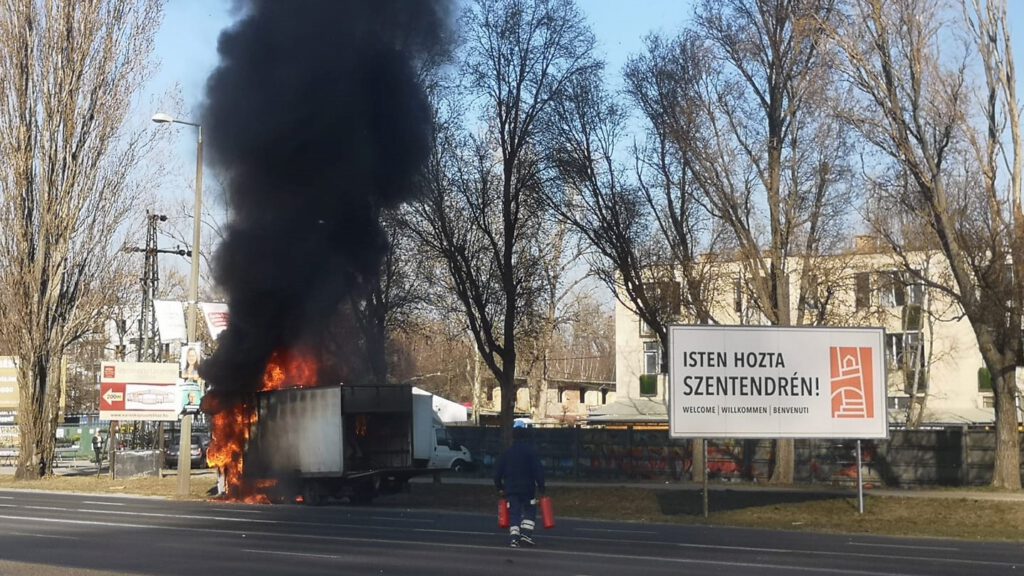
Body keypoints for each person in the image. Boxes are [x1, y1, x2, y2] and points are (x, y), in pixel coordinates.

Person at [494, 420, 545, 548]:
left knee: (514, 513)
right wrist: (541, 486)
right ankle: (526, 536)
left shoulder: (507, 453)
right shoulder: (531, 452)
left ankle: (514, 539)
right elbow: (538, 470)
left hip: (511, 489)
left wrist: (500, 487)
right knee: (529, 511)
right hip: (528, 489)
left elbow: (497, 472)